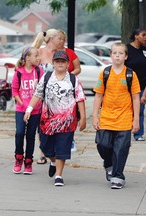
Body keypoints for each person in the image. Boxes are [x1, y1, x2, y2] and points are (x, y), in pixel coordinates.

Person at [23, 50, 86, 186]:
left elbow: (80, 99)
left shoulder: (74, 80)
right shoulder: (46, 77)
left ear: (68, 64)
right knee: (45, 147)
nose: (60, 64)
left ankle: (59, 175)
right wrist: (29, 109)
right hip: (47, 121)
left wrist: (83, 118)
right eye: (57, 61)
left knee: (62, 148)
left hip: (67, 122)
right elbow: (38, 94)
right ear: (53, 63)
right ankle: (52, 161)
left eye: (63, 61)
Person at [93, 42, 140, 189]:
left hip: (125, 118)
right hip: (106, 117)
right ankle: (109, 164)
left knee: (121, 148)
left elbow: (136, 98)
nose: (117, 55)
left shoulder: (130, 74)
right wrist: (95, 116)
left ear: (125, 56)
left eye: (121, 53)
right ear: (111, 55)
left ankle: (118, 176)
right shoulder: (105, 73)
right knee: (102, 144)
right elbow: (98, 96)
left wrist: (136, 119)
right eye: (115, 53)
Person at [32, 29, 81, 165]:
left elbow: (76, 68)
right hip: (41, 92)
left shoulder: (64, 54)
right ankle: (43, 152)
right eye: (60, 38)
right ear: (52, 38)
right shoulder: (39, 52)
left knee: (58, 119)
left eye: (63, 39)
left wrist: (68, 77)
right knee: (42, 123)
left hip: (59, 94)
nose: (62, 41)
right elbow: (30, 66)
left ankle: (60, 149)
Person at [11, 47, 44, 174]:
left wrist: (33, 107)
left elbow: (41, 90)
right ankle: (18, 157)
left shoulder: (39, 71)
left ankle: (28, 161)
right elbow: (15, 92)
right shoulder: (18, 72)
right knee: (20, 133)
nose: (38, 58)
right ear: (28, 58)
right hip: (21, 110)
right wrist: (24, 107)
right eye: (36, 56)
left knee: (31, 136)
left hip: (35, 111)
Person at [125, 28, 146, 141]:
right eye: (143, 35)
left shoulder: (144, 50)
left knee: (140, 109)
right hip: (128, 86)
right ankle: (125, 131)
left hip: (142, 86)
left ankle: (138, 133)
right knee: (128, 109)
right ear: (136, 36)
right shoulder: (127, 49)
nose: (145, 37)